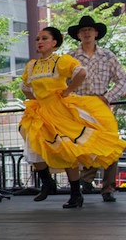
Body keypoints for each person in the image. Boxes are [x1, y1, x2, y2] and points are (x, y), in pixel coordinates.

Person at [18, 26, 126, 208]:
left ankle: (77, 193)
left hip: (60, 109)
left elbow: (81, 72)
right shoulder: (32, 65)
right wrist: (35, 99)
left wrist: (68, 91)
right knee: (33, 146)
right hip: (40, 111)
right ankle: (47, 183)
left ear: (54, 43)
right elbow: (25, 86)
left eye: (44, 38)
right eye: (37, 39)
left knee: (66, 150)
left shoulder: (61, 60)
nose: (40, 42)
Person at [67, 15, 126, 202]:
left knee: (111, 144)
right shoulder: (70, 57)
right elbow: (63, 83)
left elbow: (122, 80)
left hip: (101, 105)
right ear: (78, 34)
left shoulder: (108, 56)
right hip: (80, 106)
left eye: (89, 30)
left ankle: (107, 188)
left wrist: (107, 97)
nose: (86, 33)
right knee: (82, 143)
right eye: (83, 30)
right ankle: (85, 179)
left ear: (96, 33)